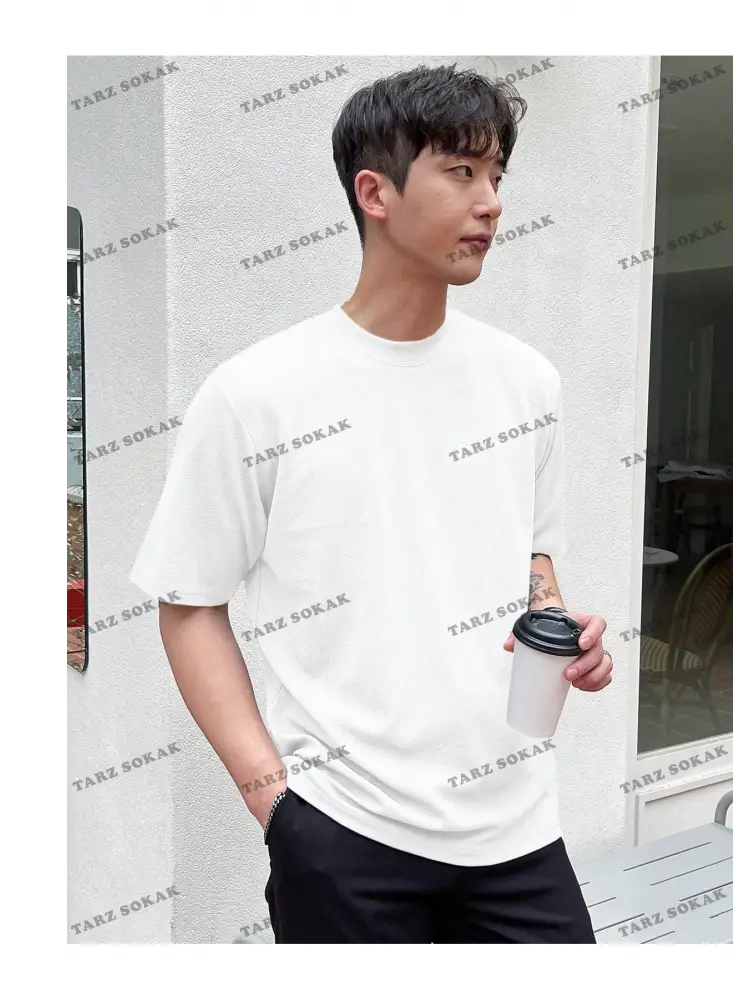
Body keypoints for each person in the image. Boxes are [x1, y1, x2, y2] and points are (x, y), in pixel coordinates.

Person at [130, 62, 613, 944]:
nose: (492, 202)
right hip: (345, 835)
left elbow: (532, 553)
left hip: (518, 832)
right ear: (374, 192)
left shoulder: (526, 381)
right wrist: (278, 807)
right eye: (461, 171)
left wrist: (557, 631)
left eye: (497, 174)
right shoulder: (258, 393)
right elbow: (189, 603)